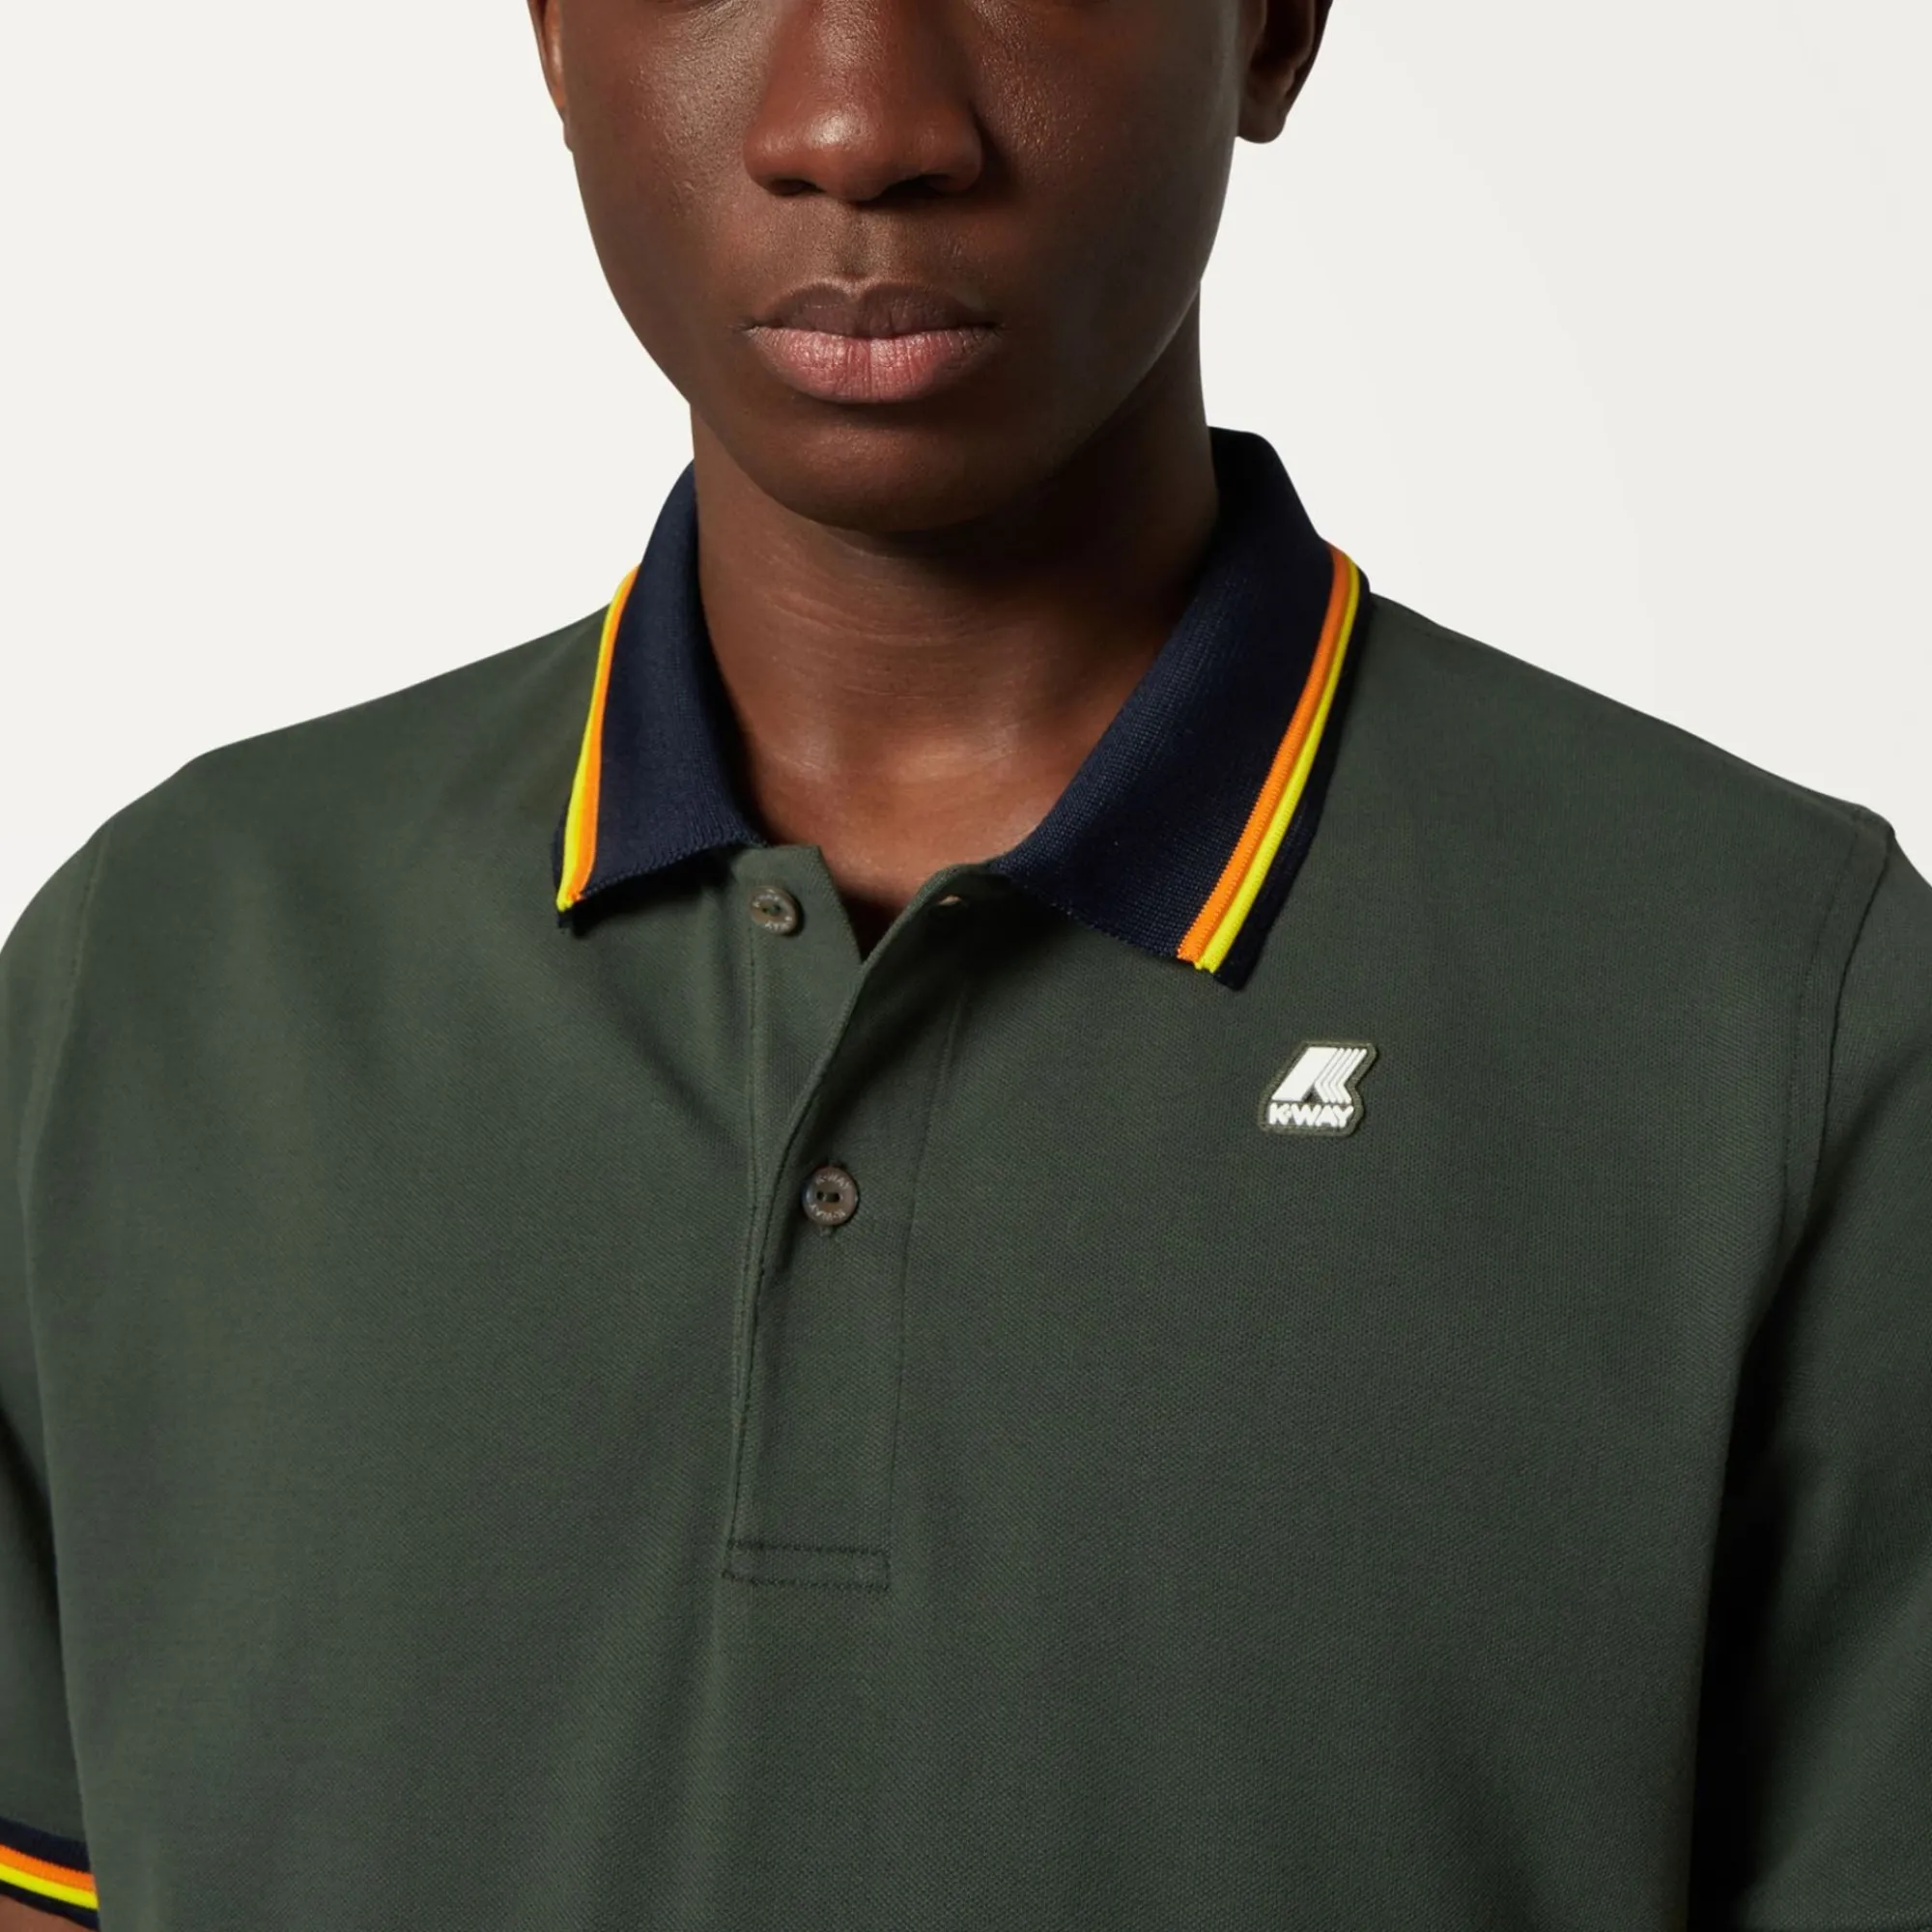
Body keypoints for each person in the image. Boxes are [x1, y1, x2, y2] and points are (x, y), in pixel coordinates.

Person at [3, 0, 1927, 1925]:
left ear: (1271, 30)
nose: (858, 123)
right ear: (556, 37)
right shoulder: (147, 989)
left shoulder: (1776, 1020)